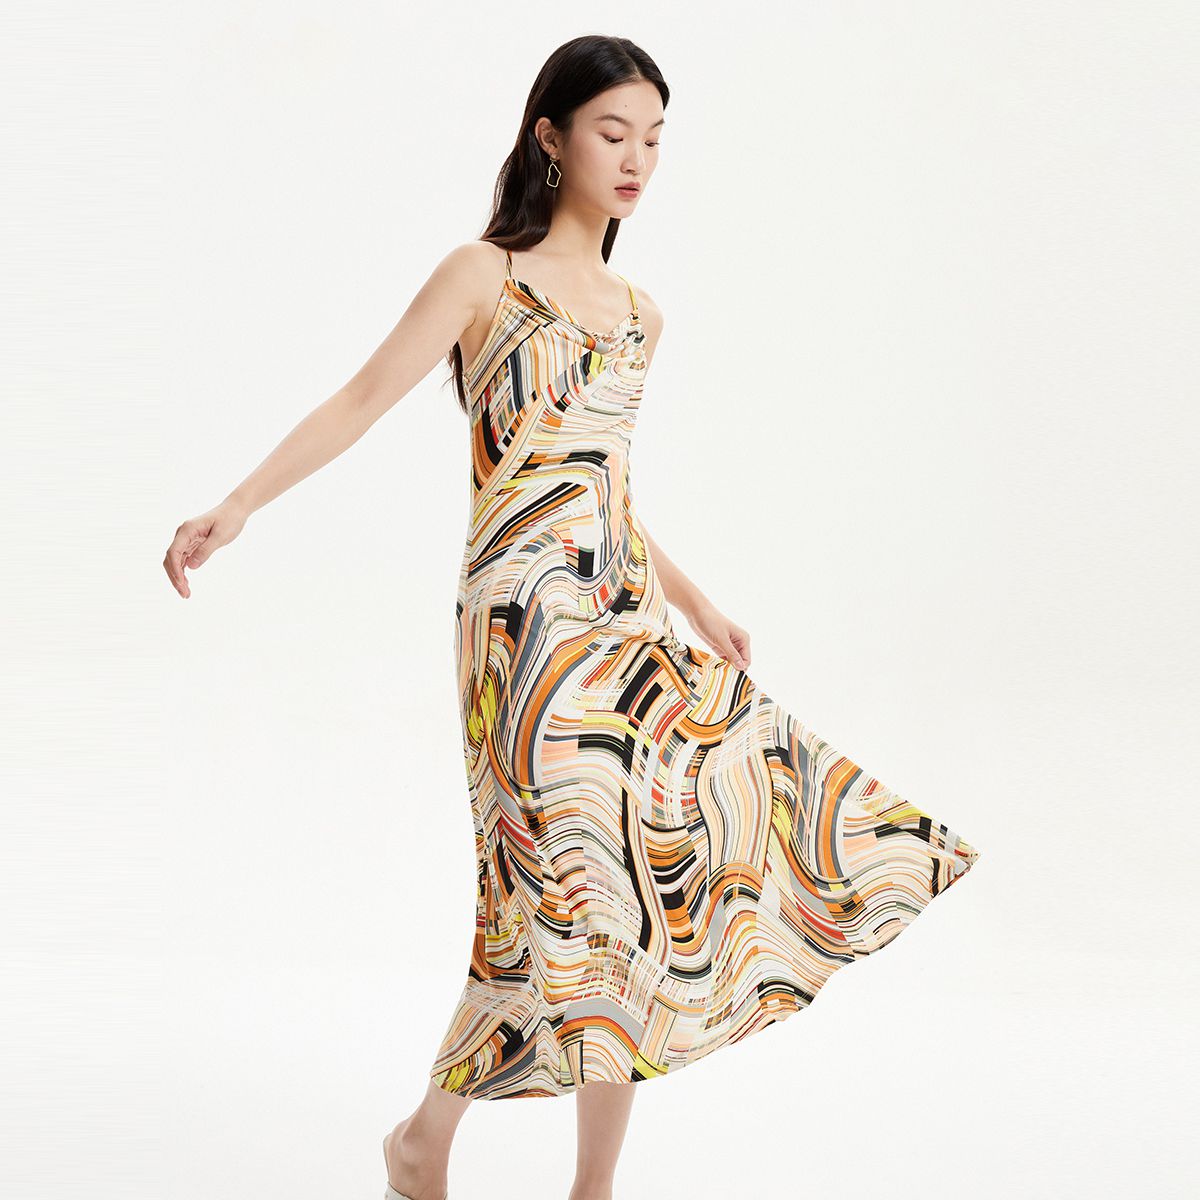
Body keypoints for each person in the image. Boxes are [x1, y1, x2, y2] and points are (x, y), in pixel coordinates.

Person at [163, 33, 980, 1200]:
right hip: (517, 631)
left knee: (639, 901)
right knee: (542, 888)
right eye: (613, 132)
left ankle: (575, 1185)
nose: (637, 158)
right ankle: (426, 1139)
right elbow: (361, 398)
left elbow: (603, 485)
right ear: (550, 137)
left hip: (625, 626)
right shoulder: (482, 277)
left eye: (654, 138)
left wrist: (696, 603)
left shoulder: (643, 316)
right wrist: (238, 504)